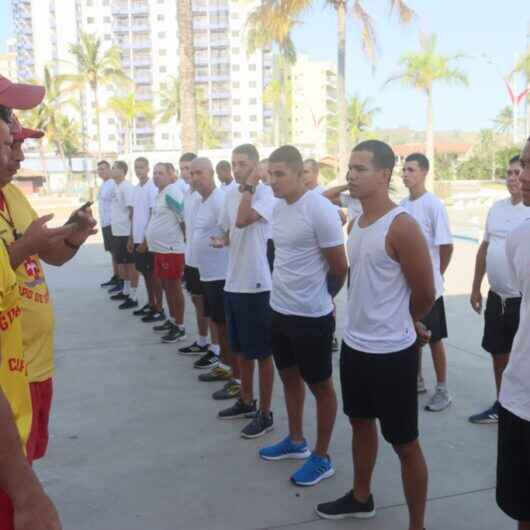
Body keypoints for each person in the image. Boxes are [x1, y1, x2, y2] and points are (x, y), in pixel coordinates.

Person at [316, 141, 434, 530]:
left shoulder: (402, 226)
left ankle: (417, 524)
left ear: (384, 175)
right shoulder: (358, 221)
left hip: (392, 355)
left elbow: (425, 293)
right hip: (355, 347)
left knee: (404, 443)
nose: (350, 175)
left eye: (360, 168)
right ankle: (360, 497)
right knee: (361, 424)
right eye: (350, 167)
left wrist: (406, 321)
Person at [1, 111, 96, 469]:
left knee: (26, 465)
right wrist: (25, 247)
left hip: (36, 367)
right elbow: (24, 251)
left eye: (19, 144)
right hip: (8, 374)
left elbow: (49, 256)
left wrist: (74, 236)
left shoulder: (12, 194)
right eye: (11, 145)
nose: (20, 156)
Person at [259, 146, 347, 486]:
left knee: (321, 386)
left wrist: (321, 299)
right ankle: (296, 440)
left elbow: (339, 267)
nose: (273, 181)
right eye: (271, 174)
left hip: (311, 316)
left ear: (300, 174)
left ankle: (322, 457)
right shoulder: (277, 209)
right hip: (279, 310)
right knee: (289, 378)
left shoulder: (320, 209)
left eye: (280, 174)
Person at [0, 75, 65, 530]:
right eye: (10, 137)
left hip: (24, 379)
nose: (17, 148)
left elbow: (47, 252)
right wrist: (27, 495)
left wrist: (67, 239)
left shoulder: (11, 195)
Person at [212, 144, 275, 438]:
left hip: (257, 284)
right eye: (234, 164)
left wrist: (251, 185)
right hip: (233, 281)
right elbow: (231, 229)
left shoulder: (265, 194)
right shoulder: (229, 195)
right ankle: (246, 400)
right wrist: (222, 241)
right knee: (242, 350)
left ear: (256, 166)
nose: (237, 169)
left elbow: (243, 219)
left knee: (262, 353)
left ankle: (265, 413)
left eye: (243, 164)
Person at [469, 155, 529, 423]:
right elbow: (485, 247)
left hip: (520, 301)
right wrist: (475, 286)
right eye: (509, 173)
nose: (514, 177)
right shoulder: (496, 208)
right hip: (497, 297)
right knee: (498, 352)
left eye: (518, 172)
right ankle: (501, 404)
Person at [400, 153, 454, 412]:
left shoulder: (434, 205)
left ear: (424, 172)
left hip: (430, 288)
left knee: (434, 339)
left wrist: (436, 274)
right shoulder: (401, 206)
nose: (405, 174)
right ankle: (417, 380)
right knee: (412, 334)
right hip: (407, 288)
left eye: (411, 169)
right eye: (404, 170)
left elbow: (446, 245)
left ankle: (442, 389)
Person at [496, 137, 530, 530]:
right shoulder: (520, 238)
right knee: (523, 508)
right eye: (523, 163)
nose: (523, 174)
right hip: (520, 398)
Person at [190, 158, 241, 400]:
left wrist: (224, 242)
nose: (195, 177)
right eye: (192, 173)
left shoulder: (220, 199)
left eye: (200, 172)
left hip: (222, 274)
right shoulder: (202, 201)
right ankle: (225, 366)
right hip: (208, 273)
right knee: (218, 324)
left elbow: (233, 229)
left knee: (227, 328)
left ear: (212, 173)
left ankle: (237, 379)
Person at [179, 153, 217, 367]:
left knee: (209, 307)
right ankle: (202, 341)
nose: (190, 175)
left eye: (193, 171)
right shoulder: (188, 194)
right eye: (185, 170)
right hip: (191, 257)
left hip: (209, 264)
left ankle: (216, 348)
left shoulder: (211, 197)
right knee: (197, 301)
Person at [145, 163, 186, 343]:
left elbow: (183, 218)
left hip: (171, 250)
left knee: (174, 288)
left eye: (160, 173)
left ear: (171, 175)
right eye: (154, 173)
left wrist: (184, 241)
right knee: (167, 287)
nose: (156, 176)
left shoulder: (172, 191)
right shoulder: (160, 193)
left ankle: (180, 326)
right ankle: (172, 319)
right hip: (160, 250)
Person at [127, 157, 161, 316]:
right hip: (137, 239)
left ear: (147, 169)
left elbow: (153, 216)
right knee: (145, 275)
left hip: (147, 241)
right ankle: (151, 303)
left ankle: (158, 308)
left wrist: (146, 241)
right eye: (136, 167)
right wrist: (131, 238)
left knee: (153, 276)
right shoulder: (136, 189)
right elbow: (133, 215)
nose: (138, 170)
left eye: (141, 167)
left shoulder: (151, 188)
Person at [109, 161, 139, 308]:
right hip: (117, 232)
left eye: (114, 168)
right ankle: (126, 291)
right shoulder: (117, 186)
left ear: (122, 171)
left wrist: (131, 236)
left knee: (130, 265)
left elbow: (132, 210)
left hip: (126, 232)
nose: (111, 170)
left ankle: (133, 296)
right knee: (121, 263)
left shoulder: (126, 187)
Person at [97, 160, 119, 288]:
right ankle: (116, 276)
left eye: (104, 169)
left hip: (112, 222)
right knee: (112, 251)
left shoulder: (112, 184)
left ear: (109, 170)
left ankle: (120, 278)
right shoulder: (104, 184)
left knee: (116, 252)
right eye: (99, 169)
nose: (101, 172)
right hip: (105, 223)